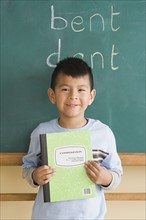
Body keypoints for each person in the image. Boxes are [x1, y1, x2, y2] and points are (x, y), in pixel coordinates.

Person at [22, 57, 123, 220]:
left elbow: (116, 173)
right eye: (65, 89)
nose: (73, 96)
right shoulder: (41, 132)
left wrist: (106, 178)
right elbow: (28, 166)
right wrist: (34, 176)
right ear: (52, 95)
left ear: (91, 96)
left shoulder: (103, 133)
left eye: (81, 90)